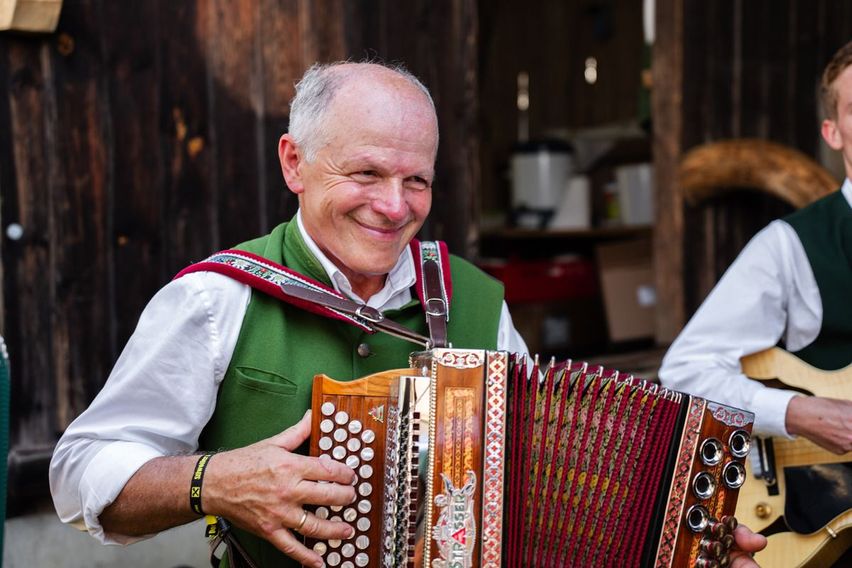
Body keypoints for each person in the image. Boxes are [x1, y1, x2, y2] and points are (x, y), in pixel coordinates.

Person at [50, 61, 766, 567]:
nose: (395, 206)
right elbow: (82, 470)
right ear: (294, 163)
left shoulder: (477, 299)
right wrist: (216, 481)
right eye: (364, 173)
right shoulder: (218, 298)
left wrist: (677, 543)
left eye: (415, 180)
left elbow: (537, 496)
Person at [659, 40, 852, 453]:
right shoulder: (789, 246)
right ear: (832, 132)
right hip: (831, 499)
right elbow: (684, 371)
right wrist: (794, 412)